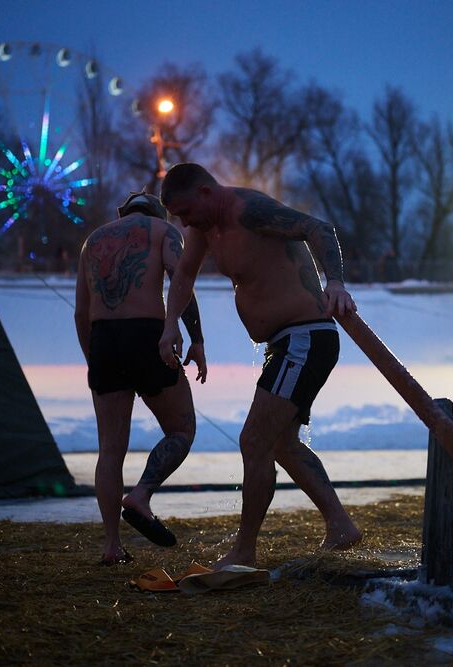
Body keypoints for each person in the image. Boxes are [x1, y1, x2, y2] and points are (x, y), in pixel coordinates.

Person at [158, 163, 362, 568]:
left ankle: (245, 550)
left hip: (305, 337)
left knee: (254, 441)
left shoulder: (249, 210)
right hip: (285, 343)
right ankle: (341, 527)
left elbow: (319, 228)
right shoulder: (204, 229)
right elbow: (182, 276)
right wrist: (170, 327)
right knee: (281, 443)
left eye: (185, 212)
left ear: (204, 193)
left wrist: (334, 282)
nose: (183, 223)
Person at [74, 191, 207, 564]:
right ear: (159, 212)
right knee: (182, 430)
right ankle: (141, 494)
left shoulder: (93, 241)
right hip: (146, 335)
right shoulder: (163, 230)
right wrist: (195, 338)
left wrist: (94, 360)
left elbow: (81, 314)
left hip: (103, 342)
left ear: (121, 213)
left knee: (110, 451)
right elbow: (181, 281)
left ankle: (112, 546)